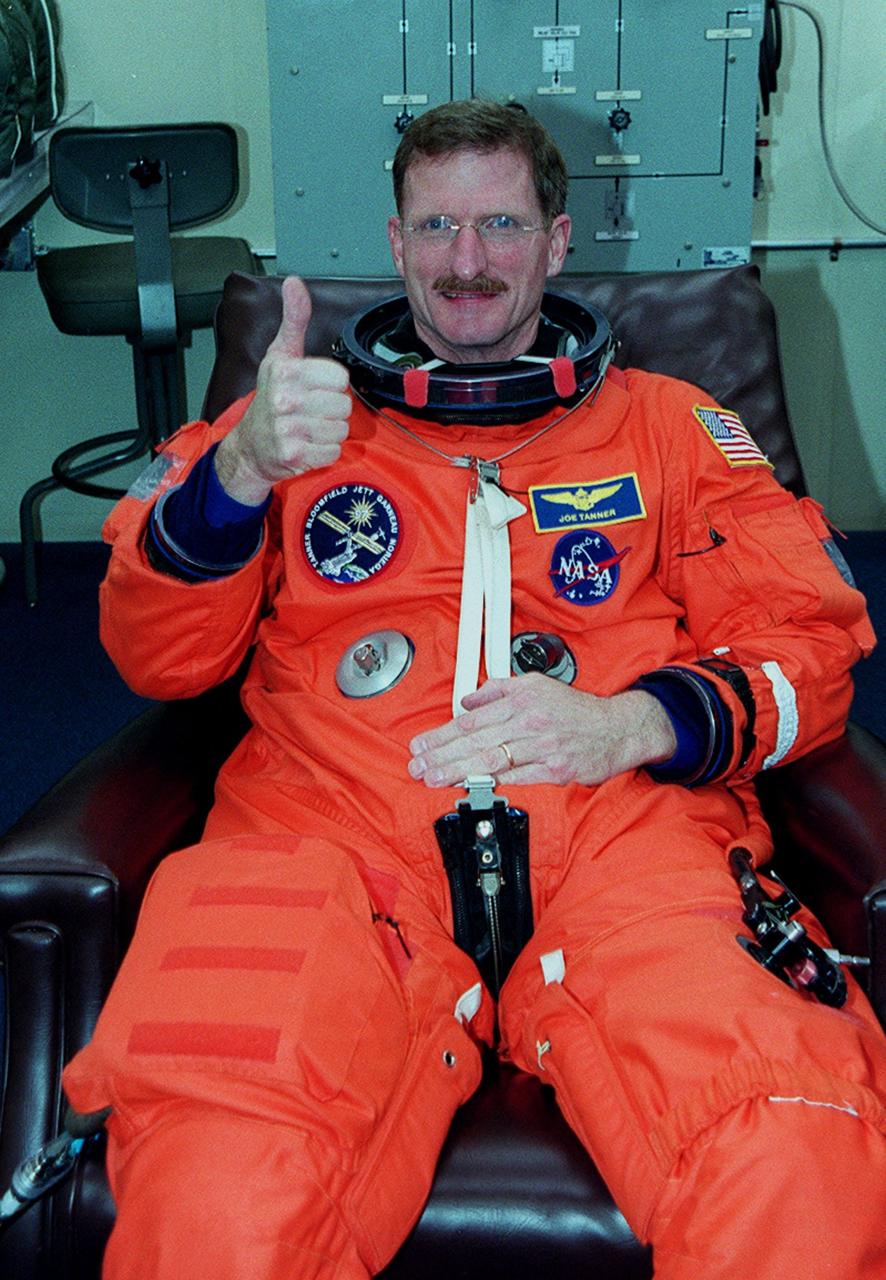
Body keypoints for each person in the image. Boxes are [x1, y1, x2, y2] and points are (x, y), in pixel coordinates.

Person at [63, 99, 886, 1278]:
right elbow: (156, 654)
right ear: (393, 243)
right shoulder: (286, 427)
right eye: (435, 226)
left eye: (500, 224)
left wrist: (636, 721)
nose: (466, 261)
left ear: (556, 240)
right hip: (332, 837)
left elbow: (809, 642)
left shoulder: (675, 427)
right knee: (218, 1186)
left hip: (624, 839)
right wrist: (236, 472)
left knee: (796, 1151)